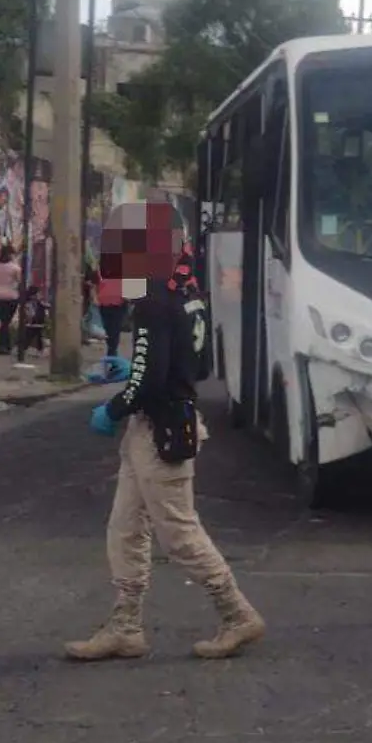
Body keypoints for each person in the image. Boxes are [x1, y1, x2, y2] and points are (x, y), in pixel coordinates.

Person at [66, 209, 265, 663]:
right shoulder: (188, 293)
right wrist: (135, 366)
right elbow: (198, 365)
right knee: (126, 527)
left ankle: (237, 615)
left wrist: (113, 407)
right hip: (162, 424)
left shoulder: (154, 300)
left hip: (161, 431)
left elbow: (150, 381)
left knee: (177, 531)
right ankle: (125, 627)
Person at [0, 244, 22, 354]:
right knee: (5, 322)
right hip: (12, 297)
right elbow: (20, 281)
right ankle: (4, 346)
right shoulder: (14, 268)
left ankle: (3, 346)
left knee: (4, 322)